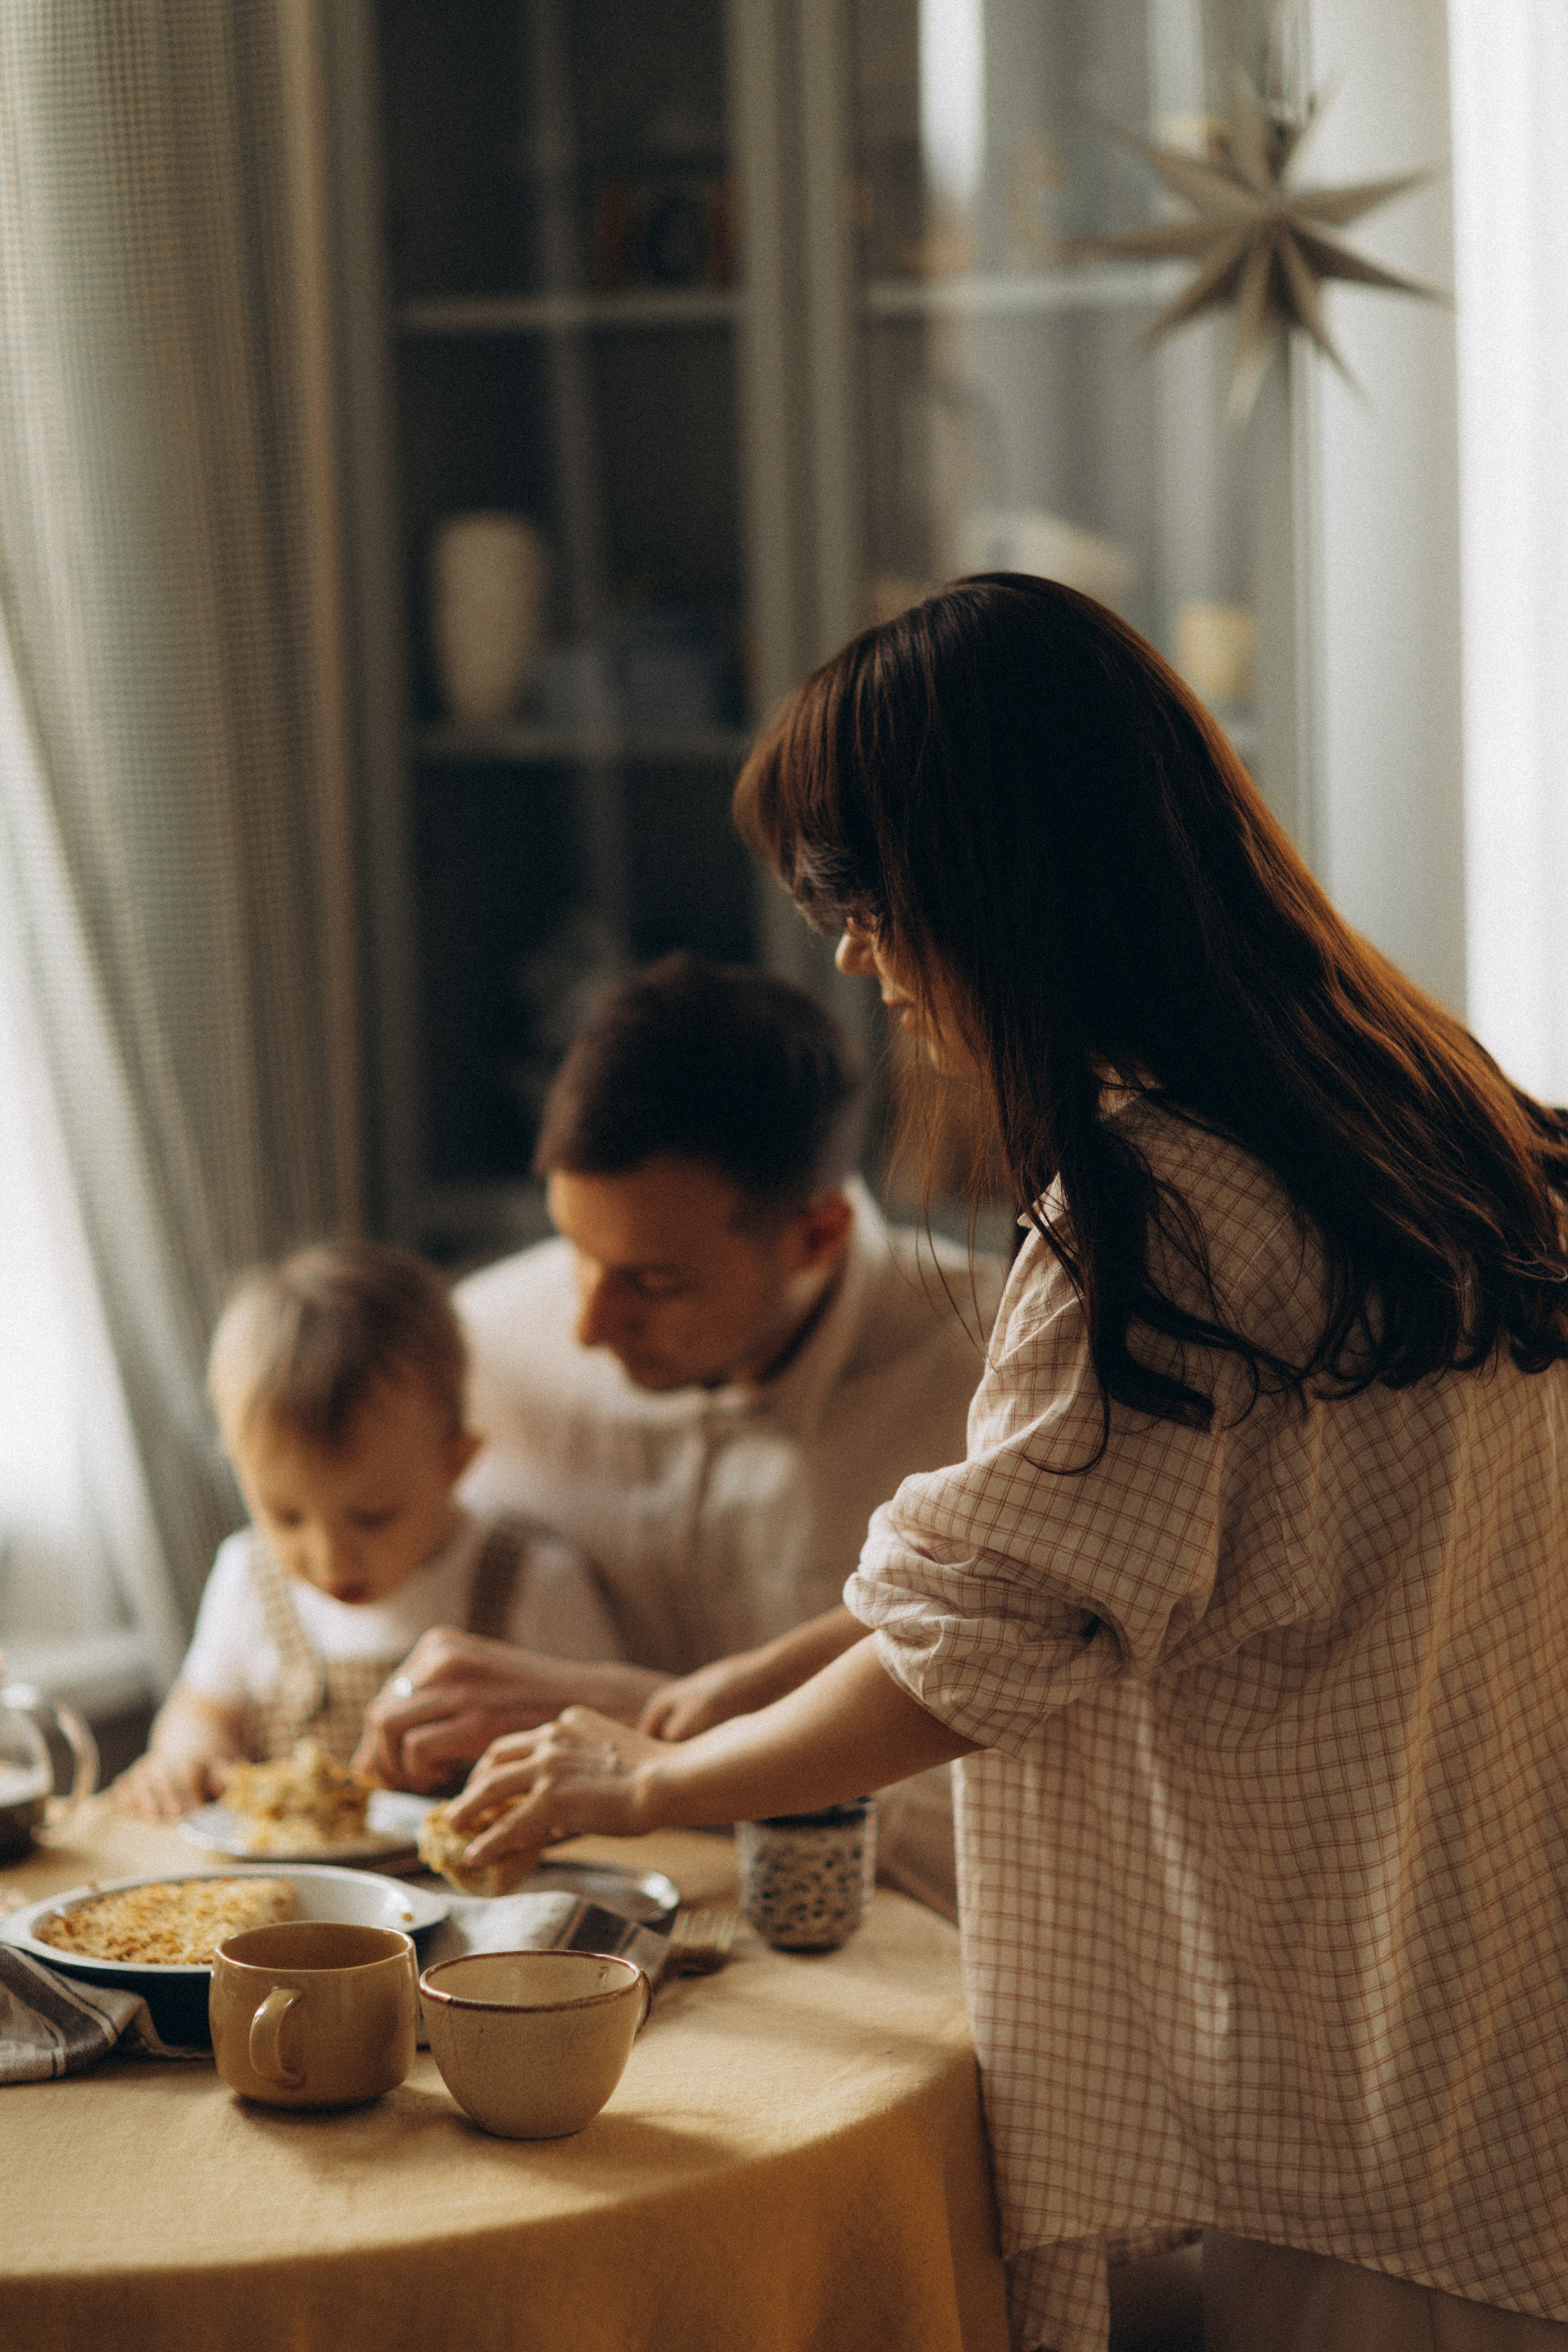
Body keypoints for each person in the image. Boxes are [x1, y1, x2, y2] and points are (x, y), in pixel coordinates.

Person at [437, 578, 1568, 2352]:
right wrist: (735, 1684)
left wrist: (639, 1791)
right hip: (1499, 2020)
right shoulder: (1430, 1106)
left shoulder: (1163, 1217)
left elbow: (959, 1668)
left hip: (1352, 2095)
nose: (847, 952)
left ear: (995, 884)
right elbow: (1058, 1570)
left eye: (856, 897)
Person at [355, 950, 1003, 1915]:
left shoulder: (998, 1379)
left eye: (654, 1282)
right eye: (576, 1250)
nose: (586, 1325)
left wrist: (657, 1728)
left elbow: (1013, 1811)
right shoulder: (483, 1349)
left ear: (816, 1236)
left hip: (902, 1973)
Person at [114, 1238, 619, 1815]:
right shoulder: (248, 1577)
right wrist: (186, 1757)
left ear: (453, 1465)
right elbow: (204, 1710)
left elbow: (606, 1747)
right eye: (286, 1515)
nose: (330, 1559)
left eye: (373, 1516)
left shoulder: (530, 1581)